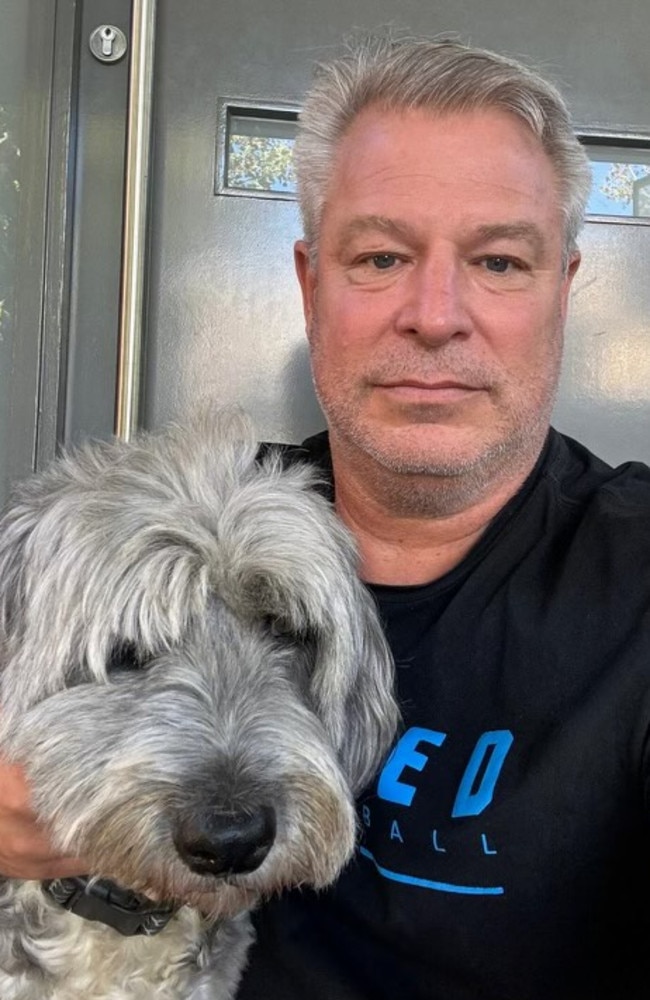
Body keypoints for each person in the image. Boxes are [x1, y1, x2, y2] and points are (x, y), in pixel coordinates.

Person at [1, 34, 649, 999]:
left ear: (563, 286)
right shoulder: (165, 524)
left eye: (500, 261)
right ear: (311, 284)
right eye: (382, 256)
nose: (436, 313)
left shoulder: (633, 580)